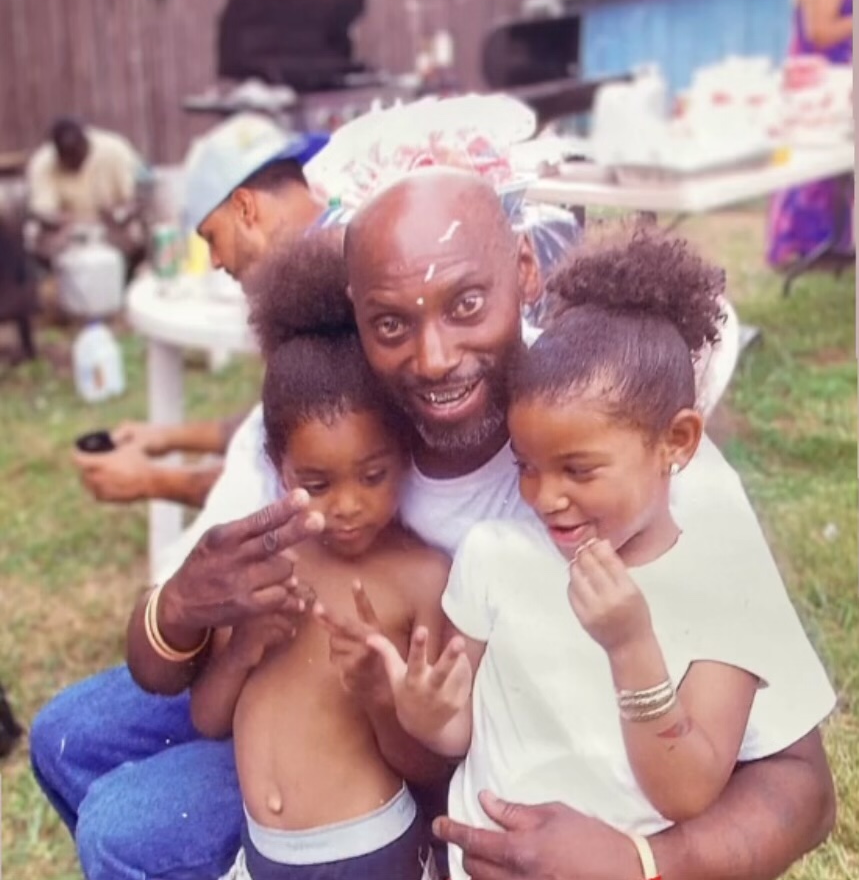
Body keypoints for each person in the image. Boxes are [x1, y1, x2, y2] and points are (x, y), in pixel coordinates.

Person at [31, 169, 834, 880]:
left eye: (468, 303)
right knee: (69, 733)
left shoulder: (628, 441)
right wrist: (177, 608)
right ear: (359, 315)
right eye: (390, 324)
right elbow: (166, 654)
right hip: (299, 687)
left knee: (131, 828)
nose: (434, 356)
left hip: (432, 766)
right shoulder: (332, 402)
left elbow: (802, 788)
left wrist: (645, 863)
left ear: (525, 270)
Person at [366, 229, 836, 880]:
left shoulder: (723, 593)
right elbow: (459, 731)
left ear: (676, 441)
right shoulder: (494, 555)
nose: (544, 497)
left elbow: (687, 791)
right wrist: (429, 715)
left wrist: (630, 644)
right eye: (526, 466)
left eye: (578, 469)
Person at [195, 234, 450, 879]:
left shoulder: (421, 579)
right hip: (263, 854)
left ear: (407, 454)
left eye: (373, 475)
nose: (348, 505)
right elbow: (208, 719)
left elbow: (433, 765)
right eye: (316, 483)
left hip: (367, 852)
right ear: (277, 466)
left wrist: (380, 697)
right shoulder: (260, 568)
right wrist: (243, 650)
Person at [72, 113, 330, 512]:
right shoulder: (317, 255)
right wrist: (165, 438)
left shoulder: (337, 288)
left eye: (211, 237)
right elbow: (280, 426)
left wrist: (151, 480)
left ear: (244, 208)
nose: (214, 261)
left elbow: (312, 488)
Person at [766, 0, 853, 268]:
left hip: (831, 79)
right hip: (821, 82)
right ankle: (805, 243)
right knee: (817, 163)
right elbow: (819, 32)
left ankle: (831, 241)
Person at [25, 117, 147, 269]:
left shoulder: (115, 149)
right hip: (68, 229)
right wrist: (57, 221)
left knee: (135, 232)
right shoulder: (43, 162)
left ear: (87, 144)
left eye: (78, 156)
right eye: (67, 159)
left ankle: (129, 274)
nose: (74, 163)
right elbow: (41, 211)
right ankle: (54, 278)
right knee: (33, 235)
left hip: (112, 223)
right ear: (57, 153)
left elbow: (138, 198)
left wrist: (120, 215)